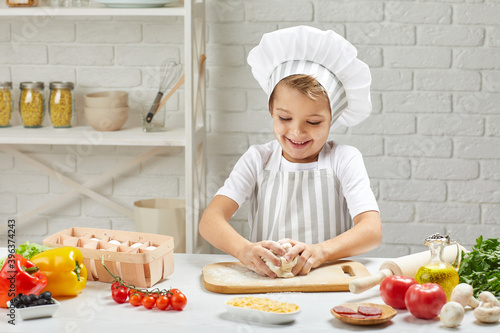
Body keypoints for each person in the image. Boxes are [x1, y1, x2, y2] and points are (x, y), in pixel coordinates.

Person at [199, 26, 382, 278]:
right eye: (285, 117)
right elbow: (210, 220)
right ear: (271, 111)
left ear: (333, 121)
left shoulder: (344, 159)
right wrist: (245, 251)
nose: (296, 132)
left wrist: (320, 252)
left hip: (326, 281)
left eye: (314, 122)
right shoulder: (258, 159)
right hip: (265, 282)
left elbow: (372, 230)